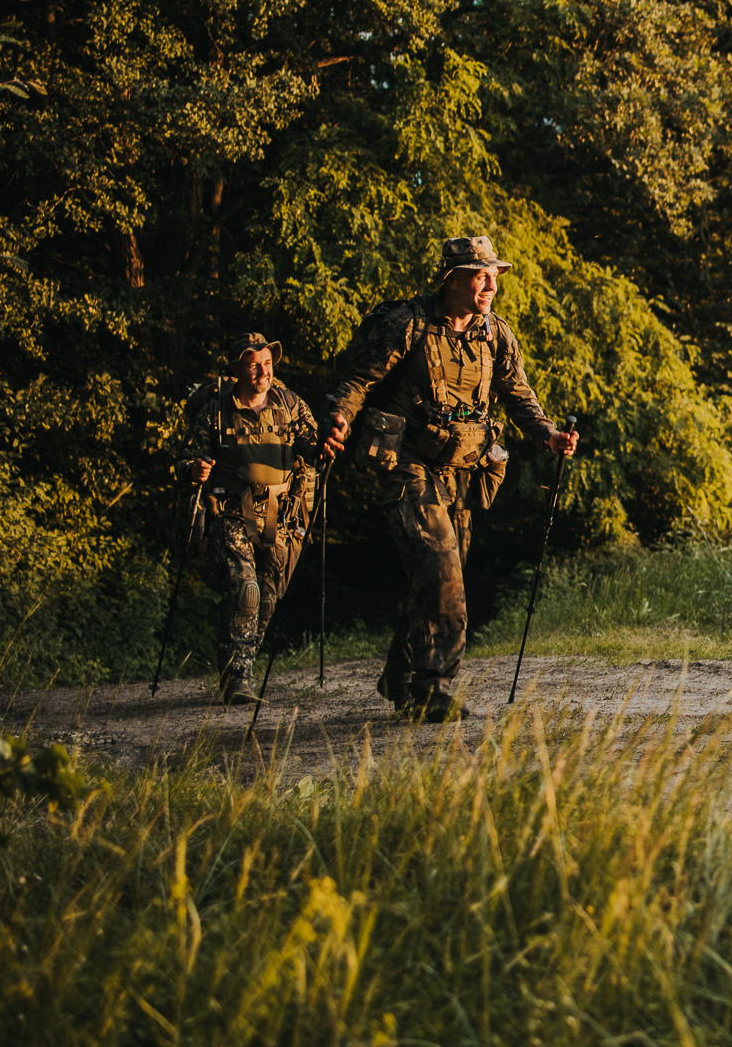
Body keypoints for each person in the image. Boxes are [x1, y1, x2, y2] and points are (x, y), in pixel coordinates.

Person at [320, 236, 578, 722]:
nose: (490, 284)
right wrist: (338, 418)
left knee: (431, 578)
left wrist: (547, 434)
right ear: (452, 278)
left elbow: (520, 396)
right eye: (480, 275)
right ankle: (431, 690)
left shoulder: (495, 335)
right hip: (409, 467)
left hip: (463, 474)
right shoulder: (407, 325)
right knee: (443, 573)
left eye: (494, 275)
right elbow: (359, 382)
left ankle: (400, 672)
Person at [177, 333, 319, 705]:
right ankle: (238, 679)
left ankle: (240, 663)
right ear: (237, 368)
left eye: (267, 362)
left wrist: (330, 444)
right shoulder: (217, 411)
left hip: (281, 516)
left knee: (267, 598)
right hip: (231, 513)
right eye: (253, 363)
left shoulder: (290, 406)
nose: (262, 370)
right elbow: (184, 460)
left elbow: (315, 449)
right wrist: (194, 469)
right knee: (246, 590)